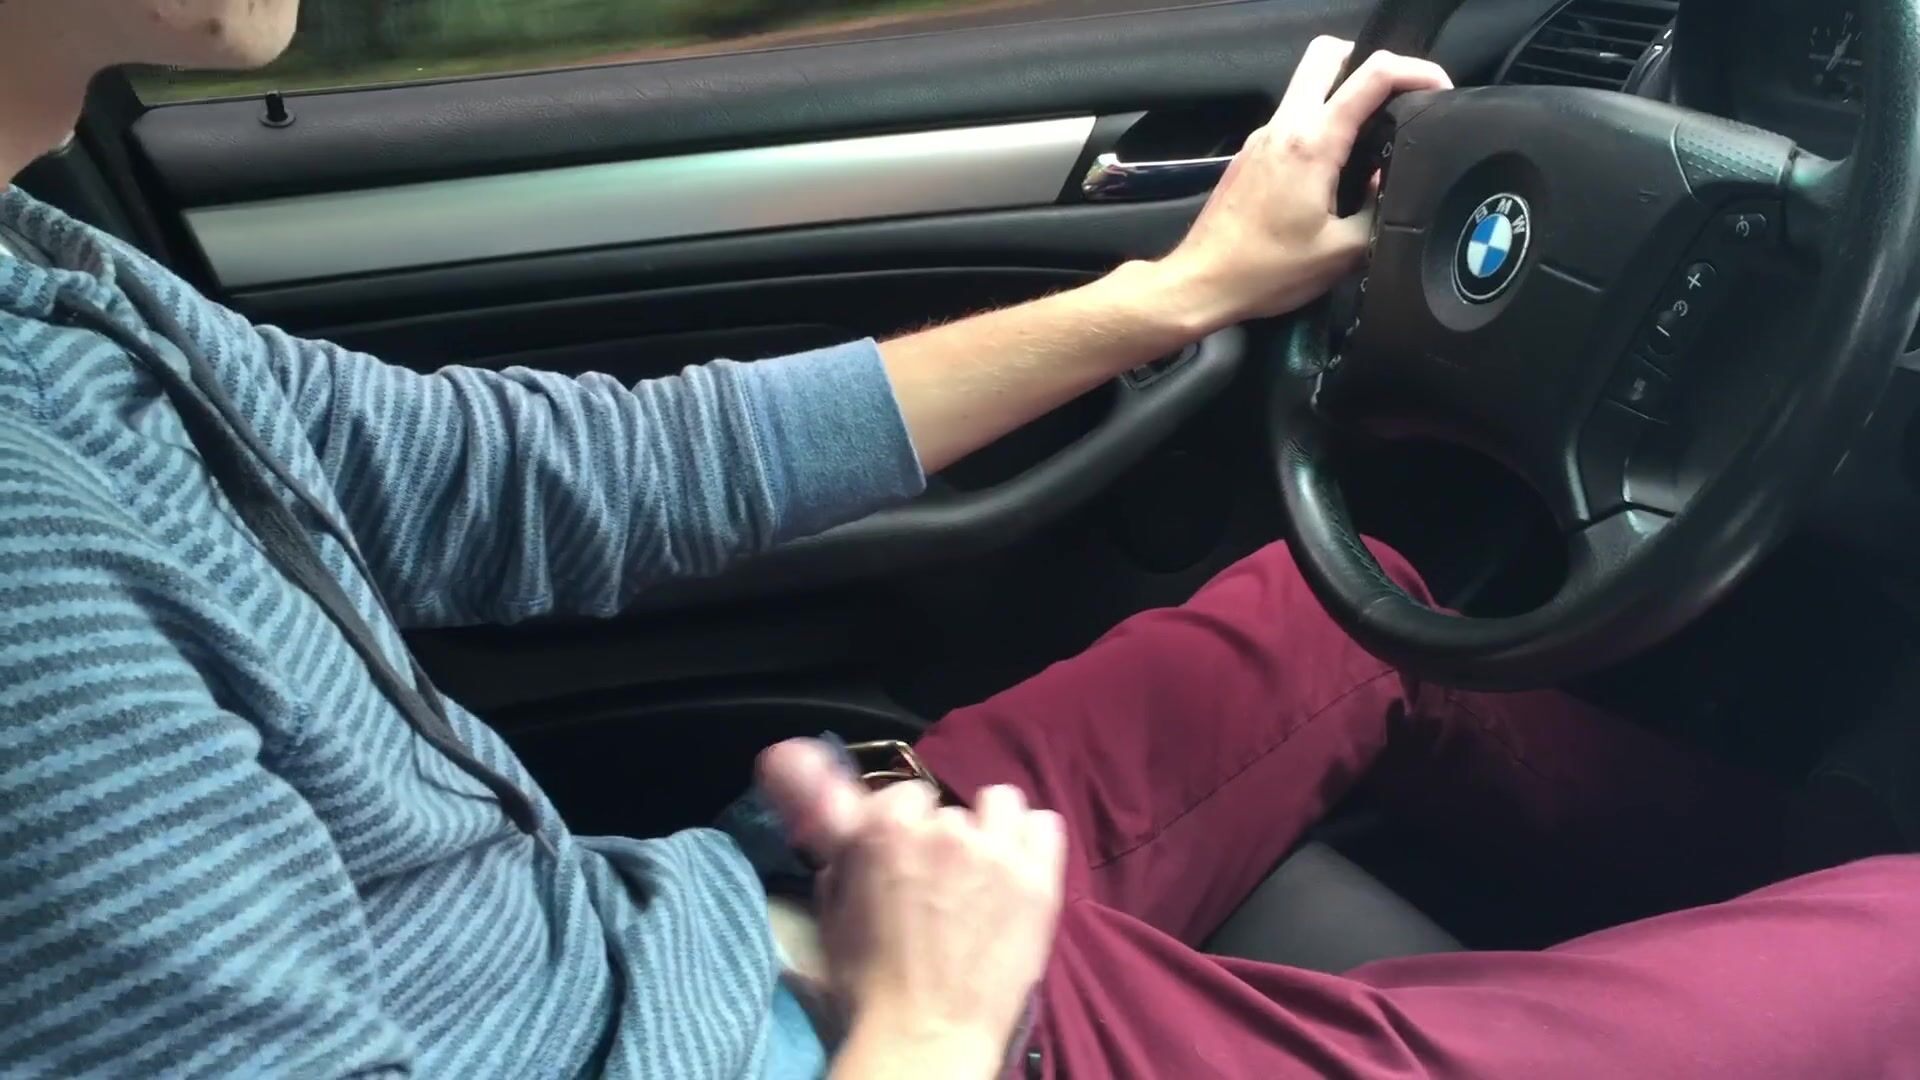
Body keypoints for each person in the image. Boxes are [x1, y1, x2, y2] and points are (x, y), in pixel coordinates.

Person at [0, 1, 1915, 1077]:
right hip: (855, 1036)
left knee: (1349, 619)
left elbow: (537, 478)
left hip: (691, 922)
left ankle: (1814, 846)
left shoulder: (45, 289)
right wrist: (929, 1011)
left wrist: (1172, 290)